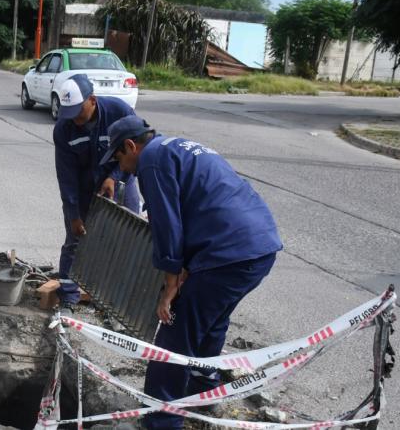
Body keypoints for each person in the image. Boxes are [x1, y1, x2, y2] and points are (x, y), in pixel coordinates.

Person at [100, 115, 282, 430]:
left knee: (173, 336)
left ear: (131, 145)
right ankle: (204, 391)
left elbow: (167, 225)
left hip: (228, 252)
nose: (122, 167)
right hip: (259, 247)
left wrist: (170, 284)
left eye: (119, 158)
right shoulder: (178, 147)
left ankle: (162, 420)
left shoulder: (152, 161)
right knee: (211, 322)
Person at [53, 74, 140, 310]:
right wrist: (73, 214)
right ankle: (68, 297)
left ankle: (117, 299)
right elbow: (66, 176)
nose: (75, 120)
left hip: (121, 181)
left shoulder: (119, 112)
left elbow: (138, 150)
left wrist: (115, 177)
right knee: (75, 240)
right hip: (83, 190)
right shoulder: (64, 128)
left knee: (129, 239)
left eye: (78, 112)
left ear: (92, 100)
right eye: (68, 113)